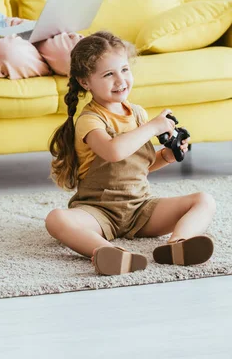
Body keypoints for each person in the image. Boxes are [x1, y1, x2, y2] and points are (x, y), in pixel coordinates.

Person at [45, 31, 216, 276]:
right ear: (85, 82)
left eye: (124, 70)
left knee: (204, 200)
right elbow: (114, 153)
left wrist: (166, 156)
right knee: (56, 219)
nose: (120, 80)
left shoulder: (137, 113)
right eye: (108, 74)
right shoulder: (90, 120)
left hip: (140, 208)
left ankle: (178, 245)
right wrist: (153, 127)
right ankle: (109, 252)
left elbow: (136, 165)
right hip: (99, 212)